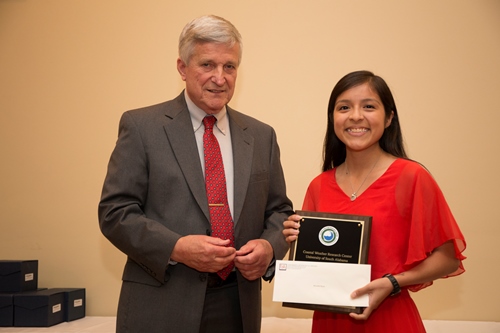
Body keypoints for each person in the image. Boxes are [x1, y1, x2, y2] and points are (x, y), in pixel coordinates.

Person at [98, 15, 293, 333]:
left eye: (229, 66)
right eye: (207, 65)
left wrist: (270, 247)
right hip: (161, 302)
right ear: (182, 67)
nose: (220, 77)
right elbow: (115, 213)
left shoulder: (261, 135)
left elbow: (279, 211)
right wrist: (176, 247)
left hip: (237, 304)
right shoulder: (142, 127)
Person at [283, 70, 466, 332]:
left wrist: (392, 282)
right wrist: (294, 240)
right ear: (333, 118)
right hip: (329, 322)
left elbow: (449, 259)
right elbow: (314, 269)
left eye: (369, 106)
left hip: (390, 318)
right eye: (344, 107)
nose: (356, 116)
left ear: (389, 117)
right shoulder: (319, 185)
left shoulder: (412, 177)